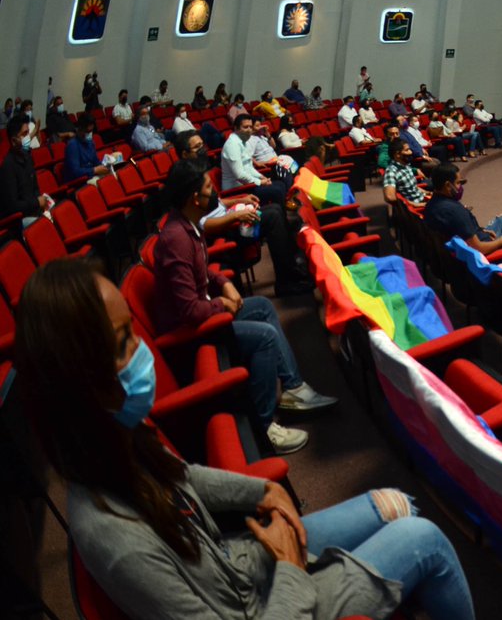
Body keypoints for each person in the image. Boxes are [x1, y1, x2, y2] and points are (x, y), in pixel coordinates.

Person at [13, 257, 474, 620]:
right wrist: (289, 566)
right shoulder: (112, 536)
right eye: (121, 344)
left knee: (396, 504)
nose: (140, 352)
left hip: (242, 566)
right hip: (267, 605)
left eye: (133, 332)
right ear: (79, 383)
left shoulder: (117, 441)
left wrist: (264, 491)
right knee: (425, 539)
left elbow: (183, 476)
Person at [156, 159, 335, 447]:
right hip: (191, 332)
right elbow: (189, 311)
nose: (214, 193)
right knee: (264, 337)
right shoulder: (176, 238)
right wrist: (222, 304)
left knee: (262, 306)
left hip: (206, 309)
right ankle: (264, 428)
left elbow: (203, 270)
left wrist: (224, 283)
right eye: (209, 188)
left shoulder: (188, 224)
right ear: (194, 198)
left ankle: (293, 388)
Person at [177, 133, 312, 296]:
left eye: (202, 145)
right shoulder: (185, 182)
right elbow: (202, 224)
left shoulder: (198, 172)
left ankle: (292, 267)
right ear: (184, 154)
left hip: (229, 216)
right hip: (223, 231)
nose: (202, 149)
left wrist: (240, 200)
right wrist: (235, 216)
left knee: (275, 208)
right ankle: (286, 282)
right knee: (273, 217)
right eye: (197, 147)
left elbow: (217, 202)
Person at [222, 114, 285, 205]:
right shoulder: (232, 145)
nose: (249, 130)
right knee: (277, 190)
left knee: (280, 184)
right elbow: (239, 175)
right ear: (236, 128)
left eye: (250, 127)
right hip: (236, 190)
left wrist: (262, 177)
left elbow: (249, 168)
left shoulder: (242, 142)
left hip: (246, 184)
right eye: (245, 127)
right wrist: (260, 182)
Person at [0, 117, 48, 227]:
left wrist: (40, 204)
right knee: (46, 225)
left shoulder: (27, 157)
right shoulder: (8, 166)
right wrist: (37, 203)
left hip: (34, 210)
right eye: (24, 134)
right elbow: (13, 206)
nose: (28, 137)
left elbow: (35, 188)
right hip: (19, 219)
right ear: (13, 141)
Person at [383, 140, 429, 208]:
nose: (411, 152)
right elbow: (390, 197)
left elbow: (413, 188)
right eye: (407, 150)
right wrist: (415, 204)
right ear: (398, 154)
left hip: (423, 199)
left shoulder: (406, 165)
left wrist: (428, 192)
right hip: (418, 207)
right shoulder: (391, 171)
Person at [63, 118, 106, 184]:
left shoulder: (90, 143)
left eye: (91, 131)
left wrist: (105, 165)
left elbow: (96, 162)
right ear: (79, 129)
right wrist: (94, 170)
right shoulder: (72, 145)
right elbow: (75, 171)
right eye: (88, 131)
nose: (90, 134)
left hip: (91, 176)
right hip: (79, 182)